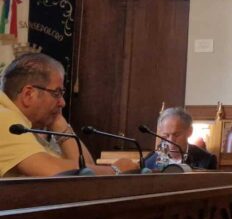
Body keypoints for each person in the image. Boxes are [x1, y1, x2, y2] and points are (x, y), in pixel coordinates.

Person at [0, 53, 138, 177]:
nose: (62, 102)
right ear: (28, 94)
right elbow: (54, 171)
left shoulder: (24, 126)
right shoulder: (4, 118)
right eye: (56, 93)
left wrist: (60, 125)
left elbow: (86, 169)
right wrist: (115, 170)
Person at [144, 106, 217, 170]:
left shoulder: (207, 160)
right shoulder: (149, 161)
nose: (171, 140)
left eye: (176, 134)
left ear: (190, 131)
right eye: (166, 135)